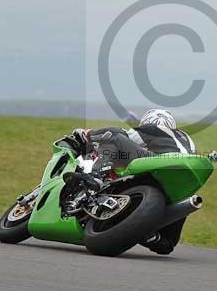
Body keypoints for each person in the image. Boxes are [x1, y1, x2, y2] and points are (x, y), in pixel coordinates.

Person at [70, 109, 196, 255]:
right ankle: (154, 237)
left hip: (162, 163)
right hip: (182, 177)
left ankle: (95, 177)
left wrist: (88, 135)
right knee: (167, 244)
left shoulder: (152, 129)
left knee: (113, 137)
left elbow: (121, 134)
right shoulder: (185, 138)